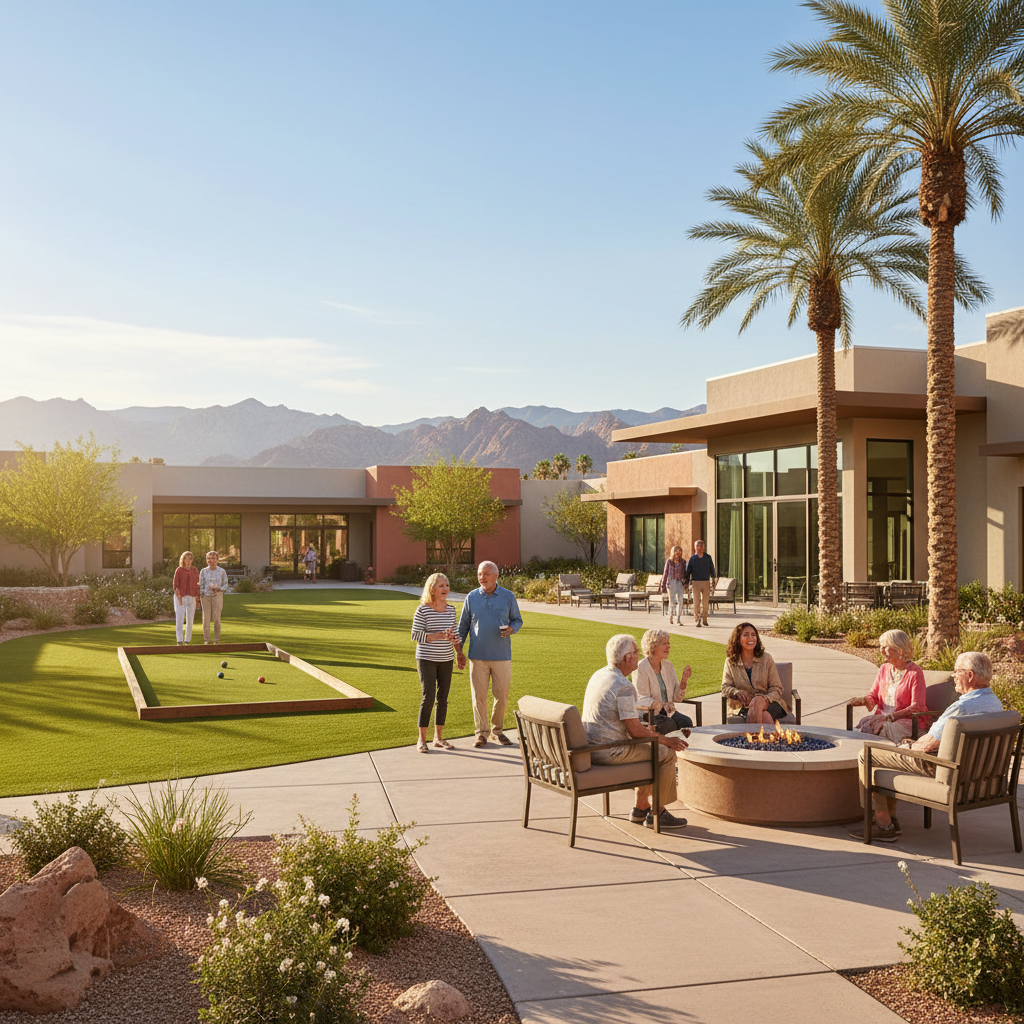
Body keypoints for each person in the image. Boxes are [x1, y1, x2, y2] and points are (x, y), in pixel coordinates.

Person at [851, 651, 1004, 843]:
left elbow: (928, 745)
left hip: (939, 766)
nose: (953, 676)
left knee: (867, 754)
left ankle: (883, 824)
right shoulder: (995, 704)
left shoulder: (961, 709)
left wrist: (908, 747)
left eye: (957, 672)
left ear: (970, 675)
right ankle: (890, 819)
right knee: (890, 752)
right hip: (976, 775)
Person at [582, 634, 689, 830]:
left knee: (652, 746)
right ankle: (659, 811)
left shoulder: (599, 675)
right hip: (610, 750)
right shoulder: (624, 686)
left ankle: (640, 809)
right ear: (627, 658)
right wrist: (666, 740)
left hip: (591, 746)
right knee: (664, 753)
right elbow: (635, 731)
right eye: (635, 653)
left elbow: (627, 724)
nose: (638, 656)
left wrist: (648, 733)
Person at [457, 561, 523, 747]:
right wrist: (459, 651)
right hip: (477, 656)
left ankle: (497, 731)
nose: (482, 577)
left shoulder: (508, 597)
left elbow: (517, 620)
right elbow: (463, 626)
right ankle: (481, 733)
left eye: (486, 574)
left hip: (502, 655)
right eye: (479, 574)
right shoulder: (471, 597)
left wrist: (512, 629)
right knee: (478, 696)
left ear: (496, 576)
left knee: (501, 695)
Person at [410, 573, 466, 752]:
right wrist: (439, 635)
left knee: (443, 699)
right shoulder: (423, 609)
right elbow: (415, 635)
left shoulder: (451, 610)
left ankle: (439, 738)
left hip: (446, 659)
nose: (445, 589)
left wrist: (459, 653)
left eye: (447, 585)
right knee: (428, 698)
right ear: (432, 589)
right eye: (441, 586)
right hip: (426, 659)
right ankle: (421, 740)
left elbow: (455, 634)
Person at [846, 630, 928, 743]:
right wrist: (863, 700)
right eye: (881, 647)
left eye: (885, 647)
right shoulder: (884, 669)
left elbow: (917, 706)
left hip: (906, 720)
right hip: (883, 718)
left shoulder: (915, 673)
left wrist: (892, 717)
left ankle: (885, 754)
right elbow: (873, 695)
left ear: (900, 650)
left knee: (888, 728)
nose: (881, 651)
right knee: (865, 724)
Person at [721, 622, 788, 724]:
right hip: (744, 705)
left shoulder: (767, 659)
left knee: (757, 702)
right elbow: (725, 687)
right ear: (738, 639)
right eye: (746, 635)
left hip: (771, 702)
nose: (751, 638)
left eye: (753, 635)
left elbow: (776, 688)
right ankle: (767, 739)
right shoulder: (730, 662)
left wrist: (763, 699)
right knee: (764, 716)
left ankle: (752, 739)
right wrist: (737, 692)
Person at [633, 628, 694, 735]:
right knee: (669, 725)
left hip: (669, 712)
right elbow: (640, 698)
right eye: (664, 643)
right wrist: (658, 704)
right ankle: (668, 751)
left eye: (669, 643)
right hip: (649, 715)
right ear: (653, 645)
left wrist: (683, 683)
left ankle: (685, 751)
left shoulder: (668, 665)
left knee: (686, 722)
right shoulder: (641, 667)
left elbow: (677, 698)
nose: (668, 646)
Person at [199, 550, 229, 645]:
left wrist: (218, 589)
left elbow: (225, 585)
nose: (211, 560)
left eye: (213, 558)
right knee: (206, 619)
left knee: (216, 618)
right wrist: (203, 592)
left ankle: (216, 640)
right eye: (208, 558)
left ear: (217, 559)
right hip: (206, 598)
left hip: (217, 597)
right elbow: (201, 585)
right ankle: (207, 640)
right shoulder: (203, 571)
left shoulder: (221, 571)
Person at [685, 540, 717, 627]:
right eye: (697, 546)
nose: (699, 548)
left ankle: (705, 619)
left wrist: (713, 579)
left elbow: (712, 569)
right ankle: (697, 619)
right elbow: (688, 571)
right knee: (696, 601)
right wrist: (686, 582)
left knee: (705, 602)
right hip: (695, 582)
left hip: (706, 582)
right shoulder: (692, 558)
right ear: (695, 547)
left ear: (703, 547)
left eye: (701, 546)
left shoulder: (708, 557)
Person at [172, 551, 199, 646]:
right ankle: (179, 641)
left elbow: (197, 584)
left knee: (190, 620)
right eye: (186, 558)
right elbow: (176, 585)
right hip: (181, 597)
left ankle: (187, 640)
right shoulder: (179, 570)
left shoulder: (194, 570)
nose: (188, 560)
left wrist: (197, 598)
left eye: (190, 558)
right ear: (183, 559)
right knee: (179, 619)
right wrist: (179, 598)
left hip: (191, 597)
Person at [659, 545, 688, 625]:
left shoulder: (683, 562)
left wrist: (686, 583)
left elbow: (686, 574)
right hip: (671, 582)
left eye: (679, 551)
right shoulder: (669, 561)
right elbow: (665, 573)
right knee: (672, 602)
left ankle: (678, 619)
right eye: (676, 551)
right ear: (673, 552)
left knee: (680, 602)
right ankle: (671, 616)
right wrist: (663, 585)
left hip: (680, 583)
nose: (678, 552)